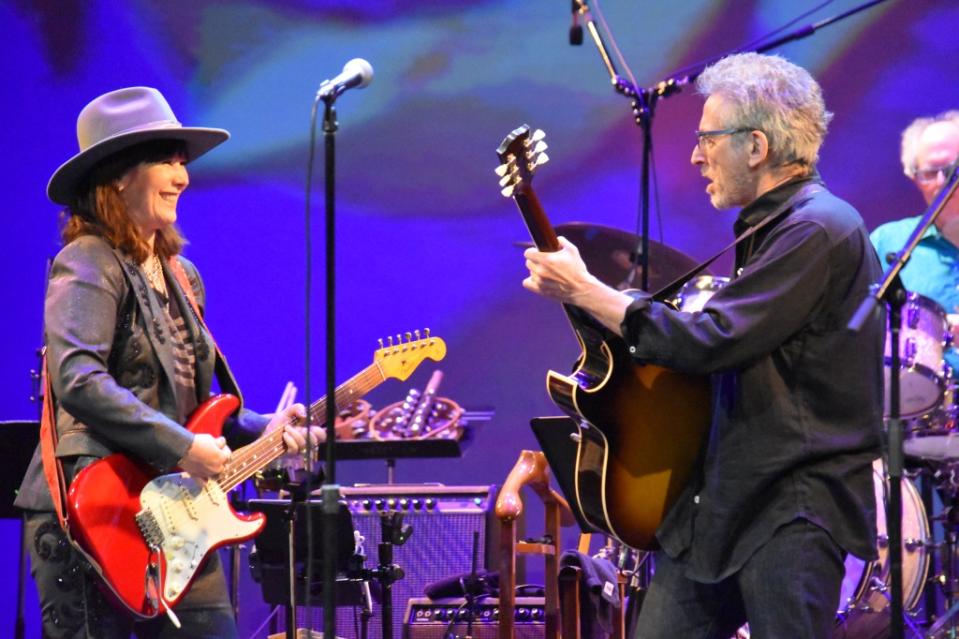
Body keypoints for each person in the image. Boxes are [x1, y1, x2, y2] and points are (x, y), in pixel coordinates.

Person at [522, 53, 884, 638]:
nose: (695, 156)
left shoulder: (818, 228)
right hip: (722, 507)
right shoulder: (776, 229)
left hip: (790, 509)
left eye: (707, 139)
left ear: (757, 146)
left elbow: (714, 341)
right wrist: (587, 300)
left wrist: (588, 289)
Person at [15, 86, 319, 639]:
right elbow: (79, 379)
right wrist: (184, 447)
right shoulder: (87, 260)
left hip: (178, 517)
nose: (182, 177)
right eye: (165, 161)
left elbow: (197, 407)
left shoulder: (183, 274)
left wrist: (265, 430)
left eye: (182, 162)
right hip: (97, 513)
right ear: (118, 174)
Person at [870, 111, 959, 375]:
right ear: (913, 177)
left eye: (954, 169)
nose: (945, 182)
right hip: (918, 408)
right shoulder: (889, 242)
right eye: (931, 173)